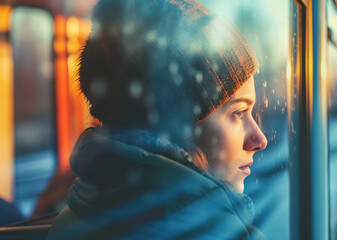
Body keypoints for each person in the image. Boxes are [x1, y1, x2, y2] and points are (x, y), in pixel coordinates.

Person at [47, 0, 268, 239]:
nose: (260, 139)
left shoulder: (78, 213)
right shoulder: (214, 232)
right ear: (173, 127)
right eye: (238, 113)